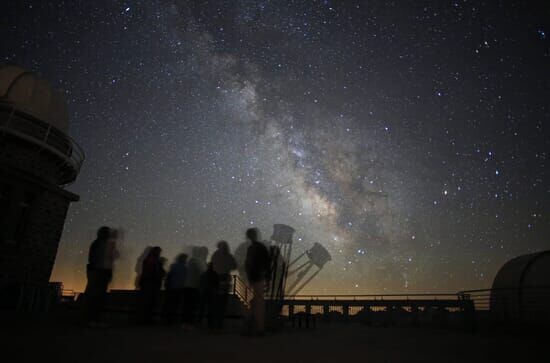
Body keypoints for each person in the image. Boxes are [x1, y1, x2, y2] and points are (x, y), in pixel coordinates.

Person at [84, 226, 119, 327]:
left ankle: (93, 319)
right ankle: (91, 319)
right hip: (98, 273)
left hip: (101, 273)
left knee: (99, 297)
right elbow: (99, 259)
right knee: (96, 297)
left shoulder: (102, 244)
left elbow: (110, 257)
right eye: (107, 233)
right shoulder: (99, 244)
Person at [244, 228, 270, 335]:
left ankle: (256, 327)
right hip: (258, 277)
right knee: (258, 302)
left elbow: (249, 264)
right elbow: (266, 263)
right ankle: (258, 328)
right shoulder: (259, 247)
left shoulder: (253, 248)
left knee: (256, 302)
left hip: (256, 277)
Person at [211, 240, 237, 329]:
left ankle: (214, 324)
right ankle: (219, 323)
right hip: (225, 280)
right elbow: (234, 266)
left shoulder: (215, 255)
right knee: (222, 302)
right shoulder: (229, 256)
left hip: (216, 279)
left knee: (216, 302)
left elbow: (213, 265)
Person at [138, 246, 165, 324]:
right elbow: (153, 271)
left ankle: (146, 319)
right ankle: (145, 319)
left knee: (149, 302)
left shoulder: (152, 260)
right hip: (150, 283)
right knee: (148, 302)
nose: (159, 253)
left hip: (150, 282)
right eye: (159, 251)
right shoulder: (152, 260)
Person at [182, 246, 208, 328]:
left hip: (189, 286)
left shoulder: (192, 260)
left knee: (189, 305)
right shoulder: (196, 260)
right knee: (191, 305)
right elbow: (203, 272)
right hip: (193, 287)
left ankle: (187, 322)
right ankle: (188, 322)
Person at [162, 253, 188, 324]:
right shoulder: (185, 268)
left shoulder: (173, 266)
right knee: (176, 304)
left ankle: (168, 319)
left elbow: (169, 276)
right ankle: (172, 319)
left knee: (170, 303)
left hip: (173, 287)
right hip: (179, 288)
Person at [200, 262, 220, 331]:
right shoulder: (215, 274)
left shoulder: (204, 274)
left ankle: (199, 322)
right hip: (212, 293)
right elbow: (217, 283)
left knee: (202, 308)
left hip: (204, 292)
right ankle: (210, 324)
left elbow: (201, 282)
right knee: (210, 308)